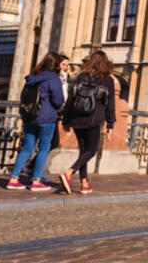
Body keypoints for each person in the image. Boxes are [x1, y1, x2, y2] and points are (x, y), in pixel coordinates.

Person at [58, 50, 116, 195]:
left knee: (83, 151)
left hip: (77, 117)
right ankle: (69, 173)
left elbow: (71, 99)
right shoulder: (107, 79)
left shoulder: (81, 77)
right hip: (94, 118)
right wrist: (110, 124)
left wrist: (66, 119)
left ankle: (84, 183)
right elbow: (110, 104)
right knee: (92, 150)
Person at [6, 52, 66, 191]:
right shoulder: (53, 79)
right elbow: (58, 101)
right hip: (46, 117)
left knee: (27, 148)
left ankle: (14, 179)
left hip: (30, 117)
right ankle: (36, 181)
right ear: (55, 65)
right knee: (43, 149)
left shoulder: (32, 77)